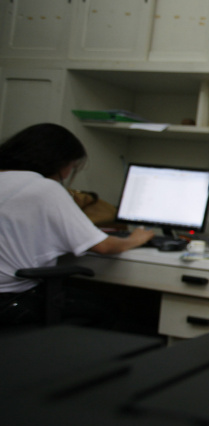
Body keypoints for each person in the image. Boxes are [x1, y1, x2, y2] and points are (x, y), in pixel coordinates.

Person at [0, 123, 154, 321]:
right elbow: (104, 247)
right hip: (13, 299)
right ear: (62, 164)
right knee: (114, 310)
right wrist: (134, 239)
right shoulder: (45, 189)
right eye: (72, 166)